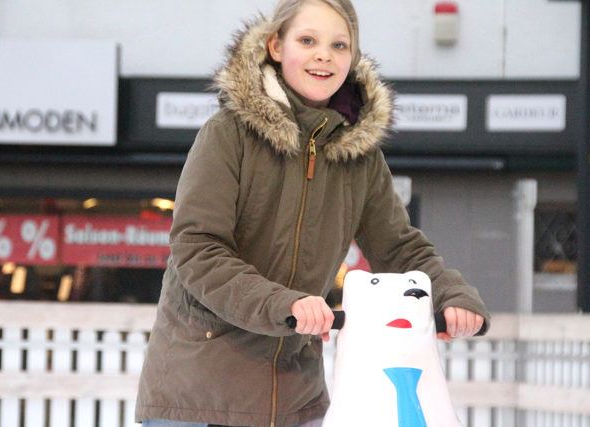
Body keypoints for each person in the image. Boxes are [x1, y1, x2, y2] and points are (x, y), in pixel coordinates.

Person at [136, 1, 490, 426]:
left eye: (339, 45)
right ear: (276, 47)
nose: (325, 54)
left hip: (294, 395)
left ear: (353, 58)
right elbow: (197, 248)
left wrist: (450, 294)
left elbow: (400, 249)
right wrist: (282, 303)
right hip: (199, 393)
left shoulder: (358, 158)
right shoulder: (229, 133)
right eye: (308, 40)